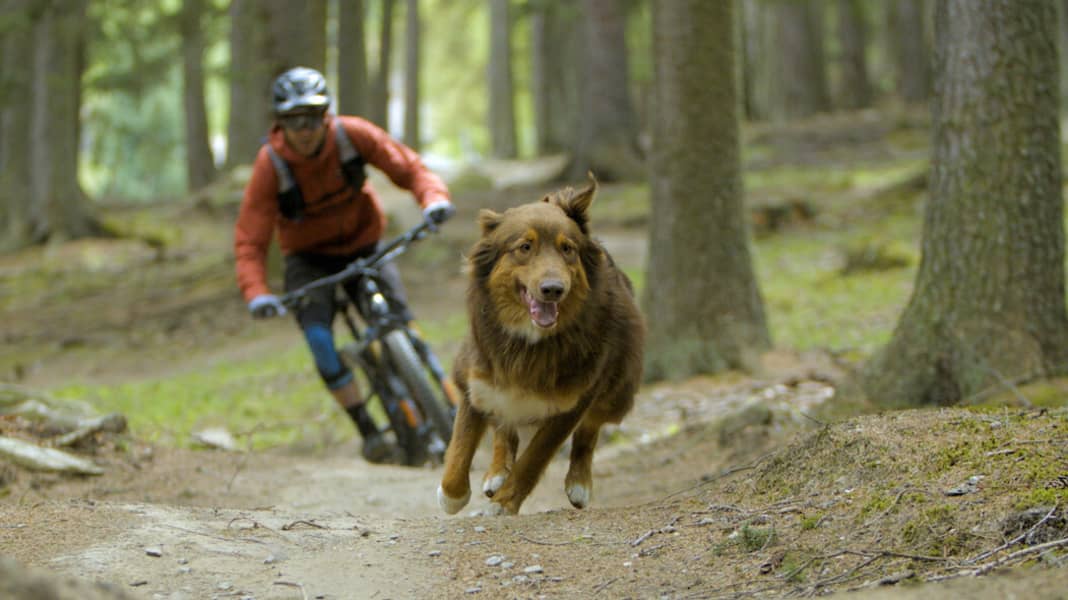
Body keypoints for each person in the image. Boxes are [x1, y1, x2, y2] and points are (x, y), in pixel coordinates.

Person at [234, 66, 455, 463]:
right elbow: (251, 238)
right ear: (280, 124)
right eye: (294, 120)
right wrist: (257, 292)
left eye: (314, 116)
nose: (305, 129)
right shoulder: (270, 166)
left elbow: (408, 167)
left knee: (399, 321)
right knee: (321, 342)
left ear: (327, 115)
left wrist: (433, 199)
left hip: (363, 243)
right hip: (308, 259)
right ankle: (368, 430)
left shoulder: (352, 135)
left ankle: (448, 401)